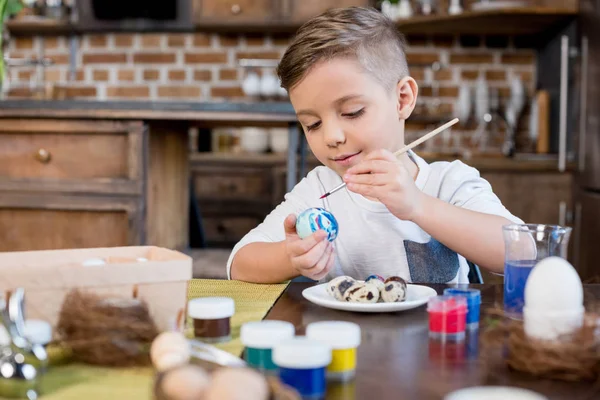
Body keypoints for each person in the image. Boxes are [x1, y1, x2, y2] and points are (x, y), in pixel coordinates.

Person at [227, 6, 522, 284]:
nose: (332, 136)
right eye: (312, 124)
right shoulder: (320, 191)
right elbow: (238, 265)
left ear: (402, 99)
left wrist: (418, 206)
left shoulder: (449, 183)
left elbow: (521, 253)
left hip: (437, 336)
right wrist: (289, 259)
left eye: (352, 112)